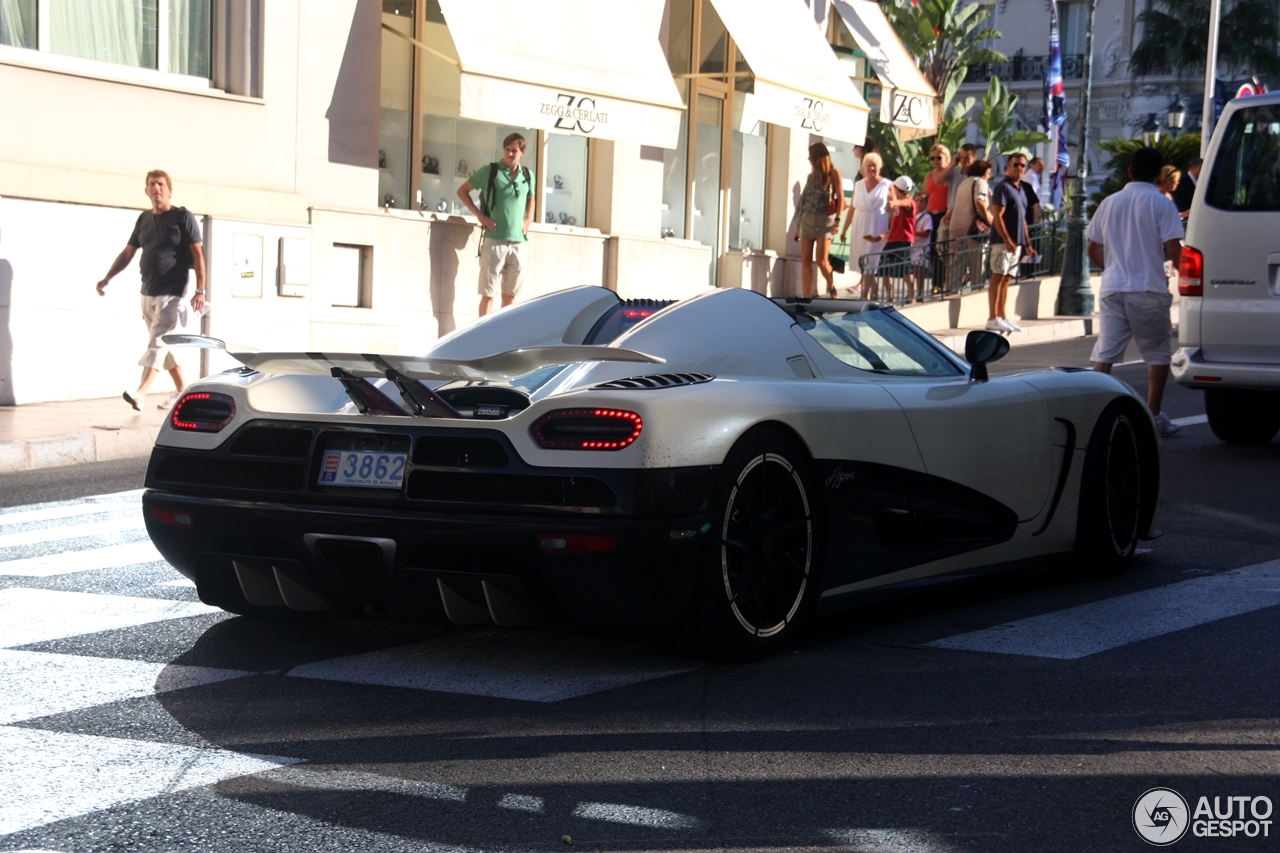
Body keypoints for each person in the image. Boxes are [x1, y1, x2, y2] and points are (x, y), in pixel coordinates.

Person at [1087, 146, 1185, 436]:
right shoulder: (1162, 204)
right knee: (1157, 354)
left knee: (1105, 353)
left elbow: (1093, 248)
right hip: (1148, 287)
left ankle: (1092, 414)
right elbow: (1173, 248)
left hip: (1113, 287)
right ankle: (1153, 415)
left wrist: (1115, 267)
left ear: (1129, 171)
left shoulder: (1109, 202)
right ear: (1158, 175)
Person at [96, 170, 205, 411]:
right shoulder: (144, 220)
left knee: (158, 341)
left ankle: (140, 393)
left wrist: (201, 290)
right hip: (147, 291)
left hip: (173, 292)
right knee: (163, 345)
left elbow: (198, 255)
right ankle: (182, 391)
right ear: (146, 190)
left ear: (169, 190)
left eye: (161, 184)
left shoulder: (182, 216)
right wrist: (107, 278)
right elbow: (128, 253)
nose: (157, 188)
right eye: (152, 185)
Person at [457, 133, 535, 317]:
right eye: (507, 150)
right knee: (488, 294)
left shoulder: (527, 175)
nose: (509, 154)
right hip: (494, 241)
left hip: (518, 242)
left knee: (510, 298)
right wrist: (480, 216)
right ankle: (485, 338)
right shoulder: (491, 171)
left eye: (514, 150)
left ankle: (504, 339)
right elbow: (462, 191)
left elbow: (531, 196)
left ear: (522, 152)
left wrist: (528, 219)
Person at [987, 152, 1037, 331]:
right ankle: (992, 317)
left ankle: (1001, 315)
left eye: (1023, 165)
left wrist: (1028, 244)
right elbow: (997, 216)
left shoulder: (1021, 189)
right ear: (1007, 167)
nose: (1019, 168)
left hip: (1016, 243)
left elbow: (1023, 219)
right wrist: (1007, 239)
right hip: (1002, 242)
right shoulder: (1003, 187)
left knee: (1007, 278)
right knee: (998, 277)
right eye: (1016, 165)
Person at [794, 142, 844, 298]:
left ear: (817, 157)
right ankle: (807, 296)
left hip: (824, 221)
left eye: (811, 156)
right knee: (806, 259)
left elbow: (841, 198)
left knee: (822, 261)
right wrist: (798, 227)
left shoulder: (833, 173)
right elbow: (804, 202)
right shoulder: (810, 177)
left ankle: (831, 286)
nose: (809, 159)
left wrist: (837, 221)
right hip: (807, 220)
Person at [840, 152, 890, 300]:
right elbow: (852, 208)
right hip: (860, 224)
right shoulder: (859, 185)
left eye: (874, 166)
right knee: (863, 261)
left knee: (872, 259)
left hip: (877, 224)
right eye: (868, 166)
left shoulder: (887, 185)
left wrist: (890, 231)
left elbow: (894, 208)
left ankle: (865, 294)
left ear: (880, 167)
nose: (871, 169)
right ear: (864, 168)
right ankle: (872, 292)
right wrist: (844, 229)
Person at [869, 176, 917, 303]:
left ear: (896, 189)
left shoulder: (908, 203)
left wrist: (894, 202)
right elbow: (895, 227)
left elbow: (907, 202)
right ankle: (890, 296)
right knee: (885, 267)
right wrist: (884, 235)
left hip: (905, 240)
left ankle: (911, 296)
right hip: (892, 240)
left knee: (907, 268)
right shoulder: (897, 208)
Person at [948, 160, 994, 293]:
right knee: (977, 265)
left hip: (956, 227)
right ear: (983, 172)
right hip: (973, 229)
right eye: (988, 173)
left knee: (956, 265)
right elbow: (979, 201)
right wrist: (989, 220)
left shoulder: (963, 184)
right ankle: (976, 295)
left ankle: (952, 293)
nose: (989, 176)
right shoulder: (980, 182)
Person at [923, 145, 953, 293]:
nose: (935, 161)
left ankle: (945, 281)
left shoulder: (951, 174)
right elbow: (925, 194)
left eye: (939, 157)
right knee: (933, 250)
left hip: (945, 215)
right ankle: (936, 283)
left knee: (944, 250)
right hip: (930, 215)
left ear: (946, 158)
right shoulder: (929, 175)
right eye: (932, 158)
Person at [911, 191, 933, 297]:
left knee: (920, 271)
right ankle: (912, 291)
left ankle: (920, 292)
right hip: (913, 247)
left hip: (922, 248)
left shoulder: (926, 217)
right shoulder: (912, 215)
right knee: (914, 271)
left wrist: (914, 232)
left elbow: (926, 233)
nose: (919, 203)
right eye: (917, 201)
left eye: (922, 201)